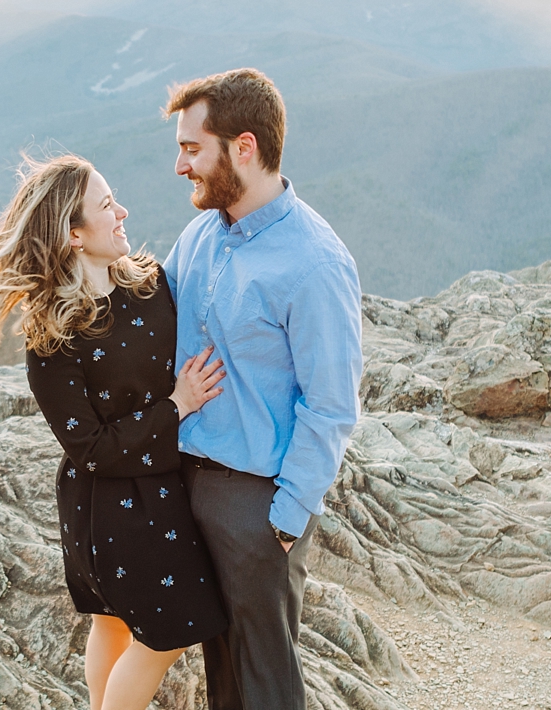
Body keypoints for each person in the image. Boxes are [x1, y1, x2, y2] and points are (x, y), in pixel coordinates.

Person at [0, 154, 230, 710]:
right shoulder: (52, 337)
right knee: (167, 636)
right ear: (73, 235)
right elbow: (90, 447)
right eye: (105, 207)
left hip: (163, 488)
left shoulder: (150, 283)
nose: (122, 212)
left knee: (115, 625)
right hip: (111, 506)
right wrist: (177, 405)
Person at [163, 68, 363, 710]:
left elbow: (331, 404)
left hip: (258, 503)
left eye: (193, 148)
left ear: (242, 148)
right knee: (221, 668)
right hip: (188, 481)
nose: (180, 166)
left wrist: (285, 517)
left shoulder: (315, 263)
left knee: (266, 680)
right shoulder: (199, 234)